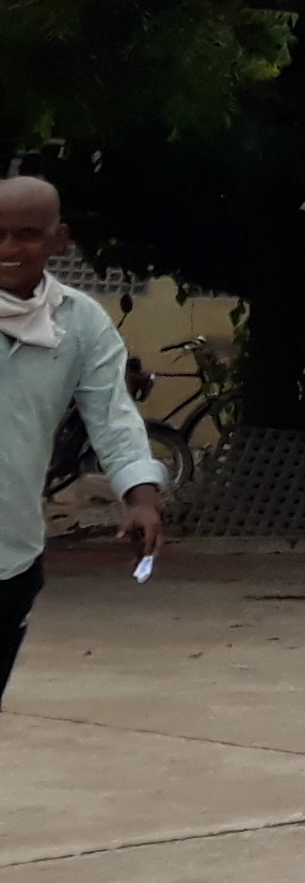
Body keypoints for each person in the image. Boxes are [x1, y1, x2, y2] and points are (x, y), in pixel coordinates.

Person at [1, 174, 166, 700]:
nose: (9, 248)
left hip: (10, 554)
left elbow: (113, 417)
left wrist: (141, 499)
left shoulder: (81, 323)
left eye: (26, 234)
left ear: (60, 239)